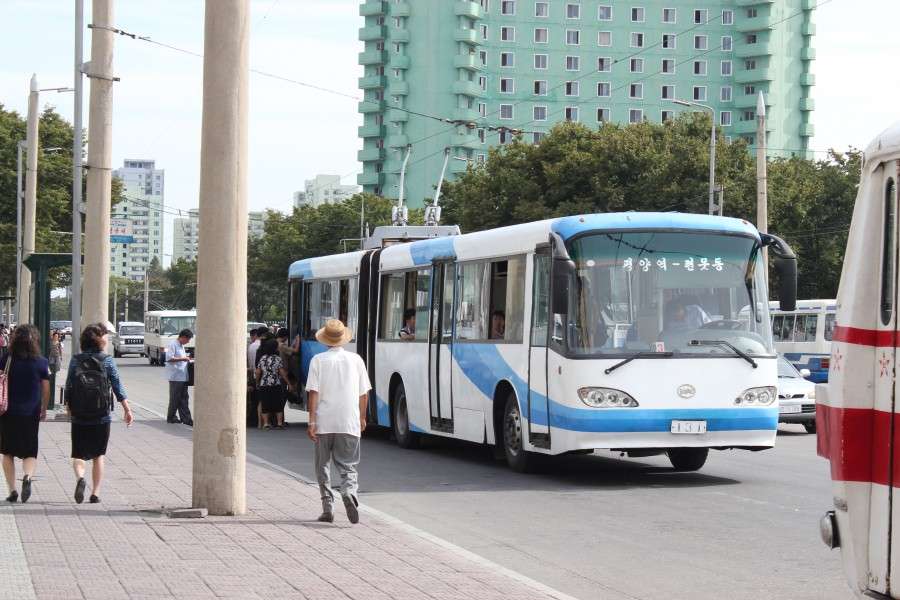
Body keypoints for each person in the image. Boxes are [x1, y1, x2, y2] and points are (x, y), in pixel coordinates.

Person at [306, 319, 371, 524]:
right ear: (343, 339)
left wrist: (311, 422)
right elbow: (364, 394)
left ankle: (328, 508)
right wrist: (361, 417)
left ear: (325, 339)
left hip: (324, 422)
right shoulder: (357, 360)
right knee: (349, 466)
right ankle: (349, 491)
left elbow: (313, 393)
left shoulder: (318, 360)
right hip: (349, 422)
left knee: (322, 466)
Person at [66, 323, 134, 504]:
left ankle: (81, 478)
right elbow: (117, 386)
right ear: (99, 340)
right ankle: (95, 493)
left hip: (79, 413)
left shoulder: (75, 360)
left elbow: (69, 384)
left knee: (78, 454)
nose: (106, 338)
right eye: (104, 335)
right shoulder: (107, 360)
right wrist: (127, 409)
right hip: (101, 414)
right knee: (98, 455)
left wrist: (69, 407)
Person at [0, 325, 50, 503]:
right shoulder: (41, 362)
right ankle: (27, 477)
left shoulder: (7, 359)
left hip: (7, 412)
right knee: (30, 451)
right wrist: (44, 408)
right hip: (31, 413)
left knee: (7, 452)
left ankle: (12, 490)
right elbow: (45, 387)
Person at [256, 338, 289, 429]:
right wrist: (288, 383)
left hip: (264, 383)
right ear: (275, 348)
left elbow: (258, 372)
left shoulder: (262, 358)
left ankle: (266, 424)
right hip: (276, 383)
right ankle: (279, 423)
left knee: (265, 404)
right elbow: (281, 372)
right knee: (278, 404)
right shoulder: (277, 359)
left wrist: (257, 382)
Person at [165, 329, 194, 426]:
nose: (188, 342)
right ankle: (171, 417)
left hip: (182, 377)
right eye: (188, 339)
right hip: (175, 377)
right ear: (183, 337)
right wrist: (183, 358)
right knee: (175, 398)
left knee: (184, 398)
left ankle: (186, 419)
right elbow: (169, 358)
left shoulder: (181, 346)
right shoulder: (173, 344)